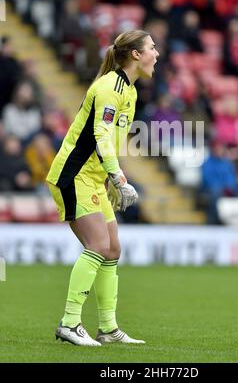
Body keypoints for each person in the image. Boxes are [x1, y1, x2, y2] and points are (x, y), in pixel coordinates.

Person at [46, 30, 159, 346]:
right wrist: (120, 178)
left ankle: (108, 329)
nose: (157, 54)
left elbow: (113, 142)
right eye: (152, 47)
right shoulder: (109, 88)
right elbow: (100, 136)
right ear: (135, 54)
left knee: (112, 249)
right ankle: (69, 323)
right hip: (73, 175)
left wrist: (110, 178)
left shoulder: (130, 92)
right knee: (97, 244)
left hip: (94, 178)